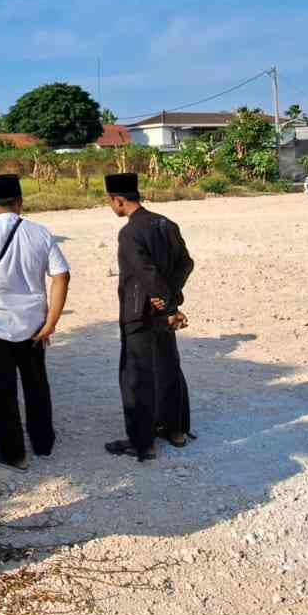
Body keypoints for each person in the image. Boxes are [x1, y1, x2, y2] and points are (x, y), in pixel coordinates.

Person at [0, 174, 69, 470]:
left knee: (2, 392)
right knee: (36, 386)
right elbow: (61, 276)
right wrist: (52, 321)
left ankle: (14, 452)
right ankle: (43, 443)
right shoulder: (40, 233)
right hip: (33, 325)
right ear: (20, 201)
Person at [103, 173, 196, 461]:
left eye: (110, 201)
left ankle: (143, 443)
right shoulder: (166, 223)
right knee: (168, 367)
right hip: (162, 311)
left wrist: (167, 305)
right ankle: (176, 431)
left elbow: (145, 272)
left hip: (139, 313)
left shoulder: (129, 232)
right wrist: (171, 296)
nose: (111, 206)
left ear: (118, 199)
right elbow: (186, 262)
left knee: (137, 377)